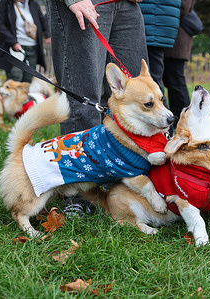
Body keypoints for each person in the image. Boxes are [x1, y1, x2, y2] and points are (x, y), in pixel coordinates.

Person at [46, 0, 148, 216]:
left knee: (135, 96)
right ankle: (79, 193)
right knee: (83, 99)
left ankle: (128, 189)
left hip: (127, 5)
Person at [163, 0, 198, 131]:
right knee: (174, 83)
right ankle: (184, 125)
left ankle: (186, 126)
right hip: (174, 38)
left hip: (176, 40)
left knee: (176, 83)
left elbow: (183, 7)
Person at [0, 0, 51, 83]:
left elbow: (42, 20)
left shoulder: (33, 4)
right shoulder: (6, 3)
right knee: (15, 77)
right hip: (15, 48)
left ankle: (26, 96)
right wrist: (13, 42)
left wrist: (48, 34)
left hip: (32, 47)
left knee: (28, 79)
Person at [139, 0, 181, 109]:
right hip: (159, 21)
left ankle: (166, 123)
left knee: (152, 81)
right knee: (155, 81)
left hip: (151, 21)